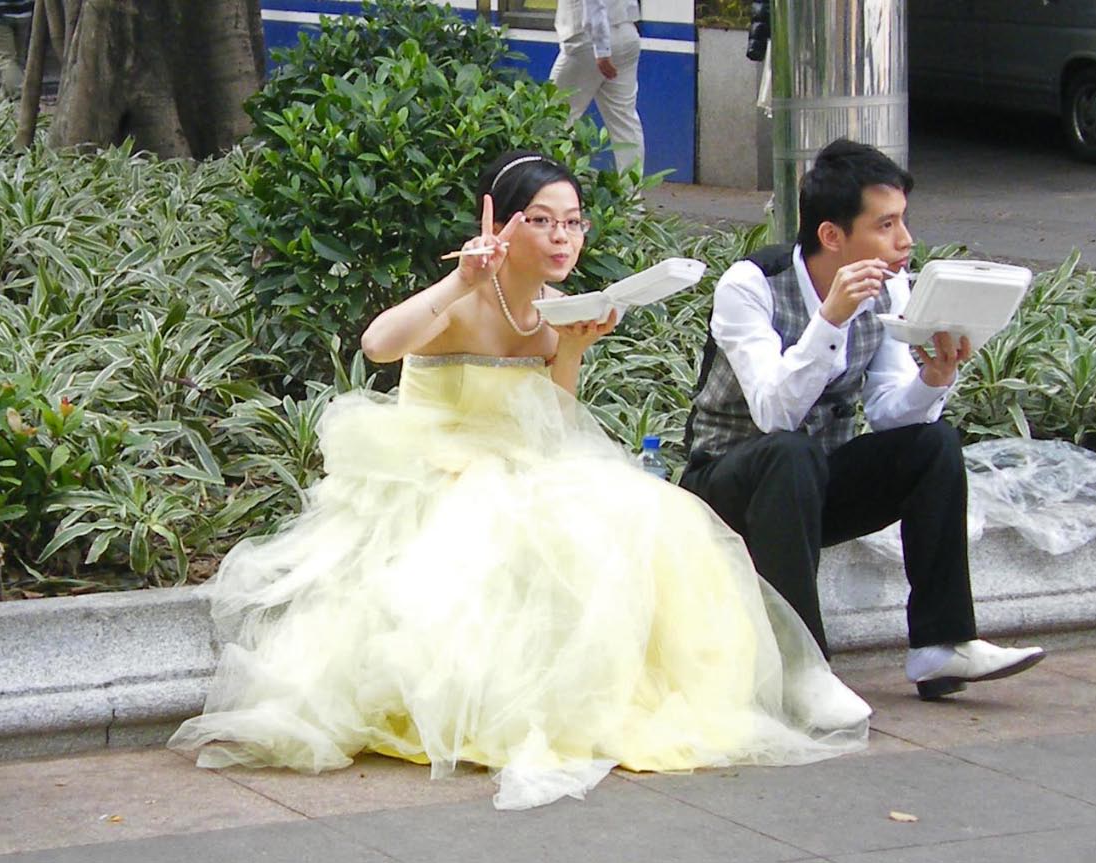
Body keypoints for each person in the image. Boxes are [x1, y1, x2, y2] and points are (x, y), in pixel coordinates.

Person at [169, 151, 871, 811]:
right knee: (499, 540)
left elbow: (551, 425)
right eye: (542, 220)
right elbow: (378, 344)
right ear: (502, 224)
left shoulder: (551, 313)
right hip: (432, 467)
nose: (562, 237)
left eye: (573, 222)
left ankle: (637, 694)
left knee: (642, 522)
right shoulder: (463, 298)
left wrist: (571, 350)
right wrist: (463, 280)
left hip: (521, 466)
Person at [679, 138, 1046, 701]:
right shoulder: (750, 286)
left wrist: (933, 378)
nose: (905, 241)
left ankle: (942, 645)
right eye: (886, 225)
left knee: (933, 443)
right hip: (728, 487)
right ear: (832, 235)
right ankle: (803, 669)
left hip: (815, 486)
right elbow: (774, 414)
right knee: (791, 451)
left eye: (903, 221)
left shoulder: (889, 287)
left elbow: (887, 413)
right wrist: (830, 320)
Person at [550, 0, 645, 173]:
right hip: (626, 31)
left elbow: (594, 4)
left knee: (553, 118)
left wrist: (602, 50)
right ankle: (632, 188)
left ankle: (554, 182)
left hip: (588, 41)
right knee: (625, 122)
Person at [0, 0, 33, 101]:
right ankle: (4, 98)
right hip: (25, 12)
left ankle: (21, 95)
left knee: (6, 60)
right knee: (17, 59)